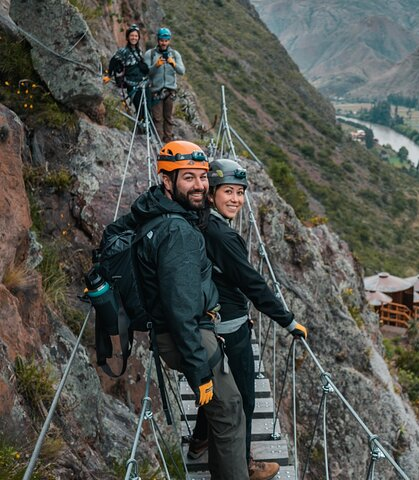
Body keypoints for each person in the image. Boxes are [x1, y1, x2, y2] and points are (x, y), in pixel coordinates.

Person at [115, 141, 248, 480]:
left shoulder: (151, 209)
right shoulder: (178, 232)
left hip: (168, 332)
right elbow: (180, 309)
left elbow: (116, 231)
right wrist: (199, 371)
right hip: (189, 337)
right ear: (167, 180)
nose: (201, 186)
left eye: (203, 177)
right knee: (230, 411)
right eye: (188, 178)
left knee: (222, 412)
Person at [187, 158, 308, 480]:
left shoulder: (198, 221)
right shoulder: (223, 236)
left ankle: (200, 439)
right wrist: (287, 320)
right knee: (243, 401)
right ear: (211, 193)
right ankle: (244, 465)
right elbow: (252, 282)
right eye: (229, 191)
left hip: (206, 325)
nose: (236, 200)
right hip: (229, 330)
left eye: (240, 193)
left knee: (215, 387)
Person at [144, 27, 185, 143]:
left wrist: (173, 64)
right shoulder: (150, 54)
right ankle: (158, 142)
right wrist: (156, 65)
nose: (164, 43)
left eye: (166, 40)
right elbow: (146, 71)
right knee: (157, 118)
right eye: (162, 40)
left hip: (170, 92)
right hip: (156, 91)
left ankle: (168, 141)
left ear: (169, 41)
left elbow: (182, 71)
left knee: (168, 118)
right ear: (158, 40)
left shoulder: (175, 54)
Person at [107, 24, 149, 119]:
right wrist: (109, 75)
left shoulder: (139, 51)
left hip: (142, 83)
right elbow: (113, 62)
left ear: (138, 38)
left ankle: (145, 128)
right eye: (132, 35)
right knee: (139, 107)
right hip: (132, 84)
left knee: (146, 107)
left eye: (136, 36)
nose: (134, 38)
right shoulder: (123, 51)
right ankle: (141, 128)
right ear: (128, 37)